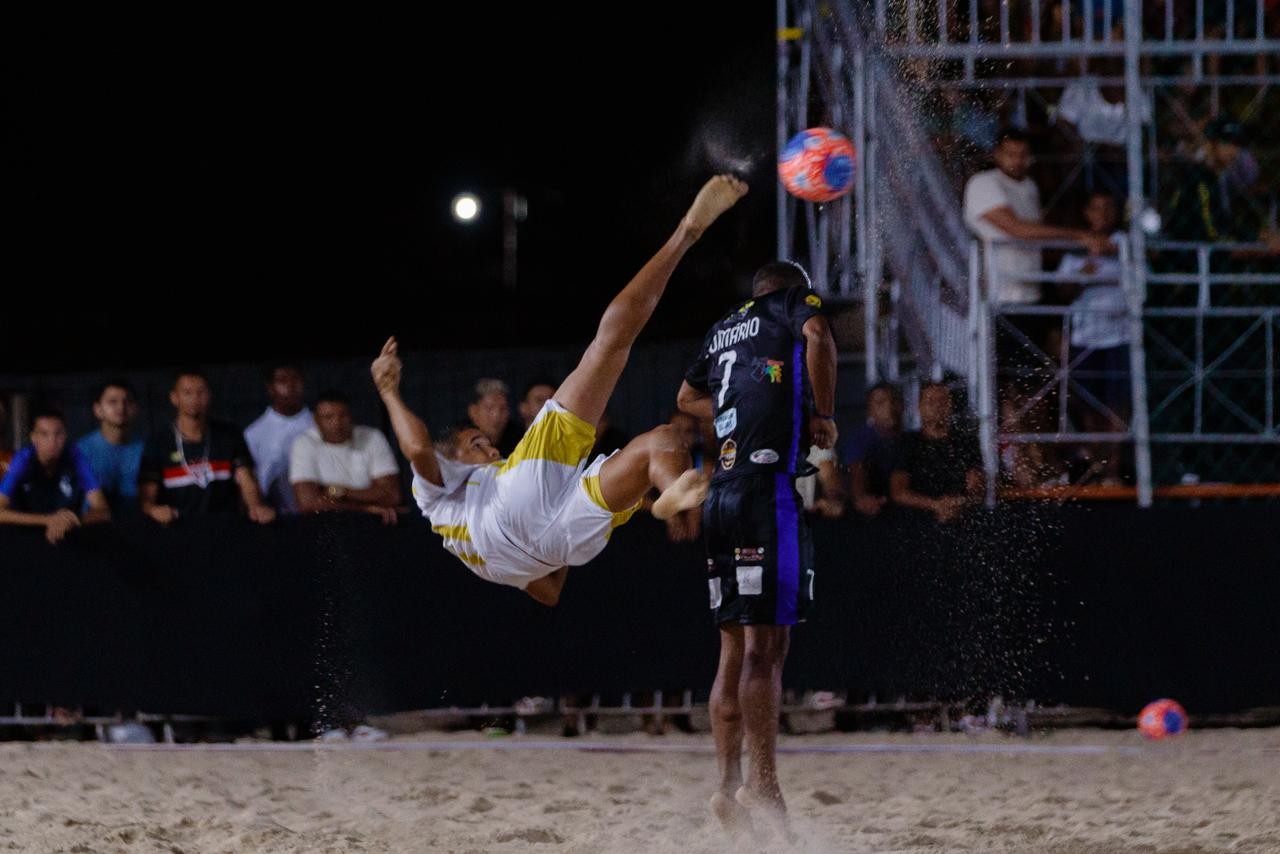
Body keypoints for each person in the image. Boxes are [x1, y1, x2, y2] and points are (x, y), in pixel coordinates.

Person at [373, 174, 748, 607]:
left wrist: (544, 542)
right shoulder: (438, 494)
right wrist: (387, 391)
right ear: (452, 459)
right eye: (476, 445)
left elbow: (550, 593)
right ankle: (685, 234)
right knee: (607, 349)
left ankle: (674, 486)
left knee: (662, 440)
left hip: (566, 542)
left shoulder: (468, 538)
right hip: (520, 508)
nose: (490, 449)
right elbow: (418, 447)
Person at [676, 260, 838, 840]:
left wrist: (730, 409)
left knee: (732, 648)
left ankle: (726, 784)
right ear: (792, 290)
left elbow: (684, 395)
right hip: (767, 495)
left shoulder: (723, 329)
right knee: (766, 650)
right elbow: (818, 337)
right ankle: (763, 783)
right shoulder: (794, 307)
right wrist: (822, 412)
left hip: (718, 495)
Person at [138, 369, 276, 525]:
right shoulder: (158, 442)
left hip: (225, 530)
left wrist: (257, 507)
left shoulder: (230, 435)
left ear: (209, 395)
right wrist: (154, 510)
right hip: (176, 531)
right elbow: (147, 500)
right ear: (174, 398)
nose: (195, 398)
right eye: (187, 392)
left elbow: (246, 479)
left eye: (201, 392)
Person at [0, 407, 110, 543]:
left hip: (66, 532)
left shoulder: (75, 457)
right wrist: (48, 520)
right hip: (25, 534)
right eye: (44, 434)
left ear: (66, 435)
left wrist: (75, 520)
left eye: (59, 434)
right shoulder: (23, 459)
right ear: (34, 438)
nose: (53, 441)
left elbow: (102, 510)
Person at [290, 390, 402, 523]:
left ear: (352, 416)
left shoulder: (372, 437)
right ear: (316, 420)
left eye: (343, 416)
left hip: (372, 524)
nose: (337, 423)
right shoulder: (304, 443)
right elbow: (308, 503)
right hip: (325, 525)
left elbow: (391, 495)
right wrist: (367, 508)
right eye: (328, 417)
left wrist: (338, 492)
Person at [243, 364, 311, 513]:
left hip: (315, 510)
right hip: (274, 516)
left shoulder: (320, 425)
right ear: (270, 388)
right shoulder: (254, 433)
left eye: (295, 379)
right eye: (282, 381)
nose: (291, 386)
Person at [76, 379, 146, 517]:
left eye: (128, 401)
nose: (121, 407)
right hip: (93, 528)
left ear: (136, 408)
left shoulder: (148, 449)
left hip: (140, 528)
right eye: (112, 401)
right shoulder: (80, 451)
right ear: (98, 409)